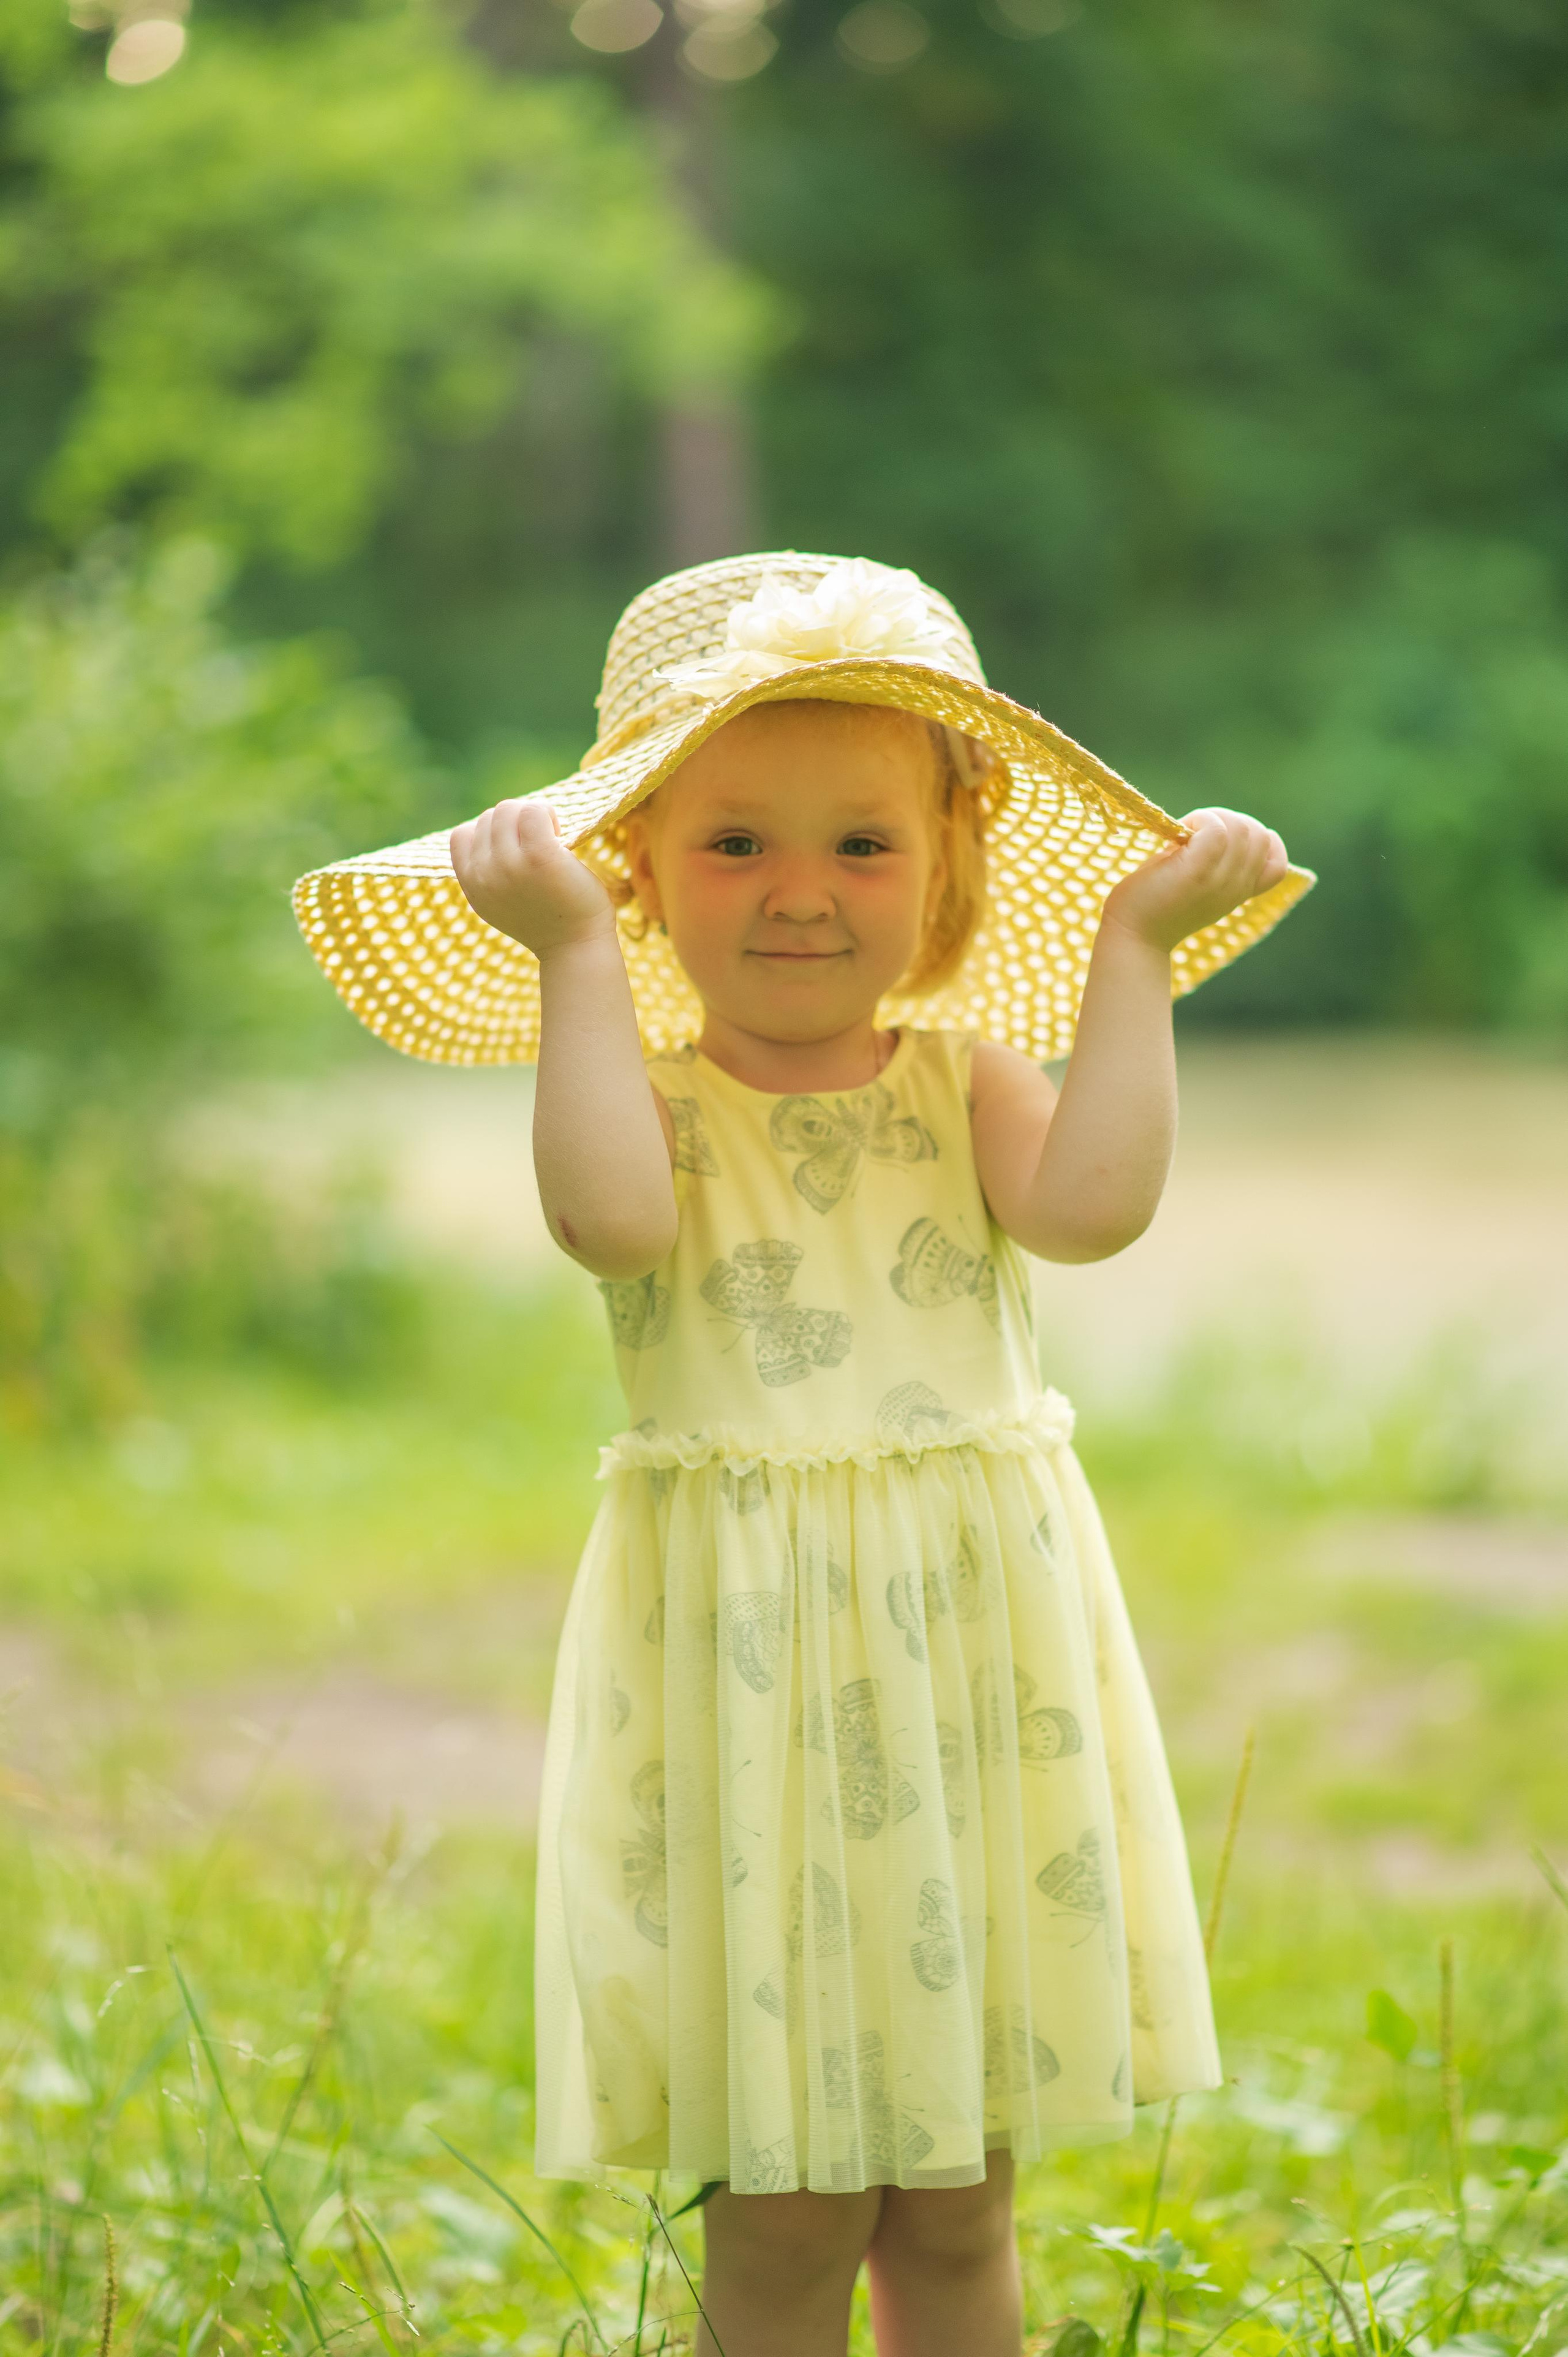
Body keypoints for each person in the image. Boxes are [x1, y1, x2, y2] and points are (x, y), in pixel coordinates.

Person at [294, 553, 1311, 2357]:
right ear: (641, 869)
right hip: (753, 1662)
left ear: (947, 875)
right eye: (732, 843)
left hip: (964, 1650)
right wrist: (575, 965)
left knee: (958, 2191)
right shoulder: (650, 1099)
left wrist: (1135, 960)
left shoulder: (967, 1078)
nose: (799, 896)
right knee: (785, 2200)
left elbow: (1094, 1213)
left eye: (862, 845)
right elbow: (611, 1226)